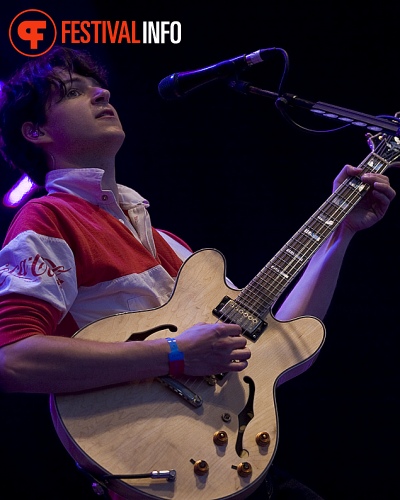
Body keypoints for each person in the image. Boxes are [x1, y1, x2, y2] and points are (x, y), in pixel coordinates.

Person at [0, 46, 395, 500]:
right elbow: (15, 359)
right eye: (73, 92)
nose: (102, 93)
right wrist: (174, 354)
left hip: (230, 455)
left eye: (98, 86)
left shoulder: (170, 244)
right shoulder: (48, 219)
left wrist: (340, 233)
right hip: (150, 455)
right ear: (35, 131)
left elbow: (277, 343)